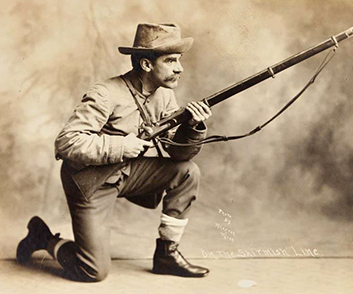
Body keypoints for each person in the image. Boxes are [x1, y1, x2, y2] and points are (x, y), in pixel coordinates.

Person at [16, 23, 212, 282]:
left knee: (188, 172)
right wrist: (121, 146)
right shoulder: (105, 93)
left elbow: (178, 155)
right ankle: (44, 238)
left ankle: (167, 253)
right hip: (91, 181)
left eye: (179, 60)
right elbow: (66, 142)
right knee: (93, 271)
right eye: (171, 60)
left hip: (128, 174)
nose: (180, 68)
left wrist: (193, 128)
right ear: (146, 64)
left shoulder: (164, 96)